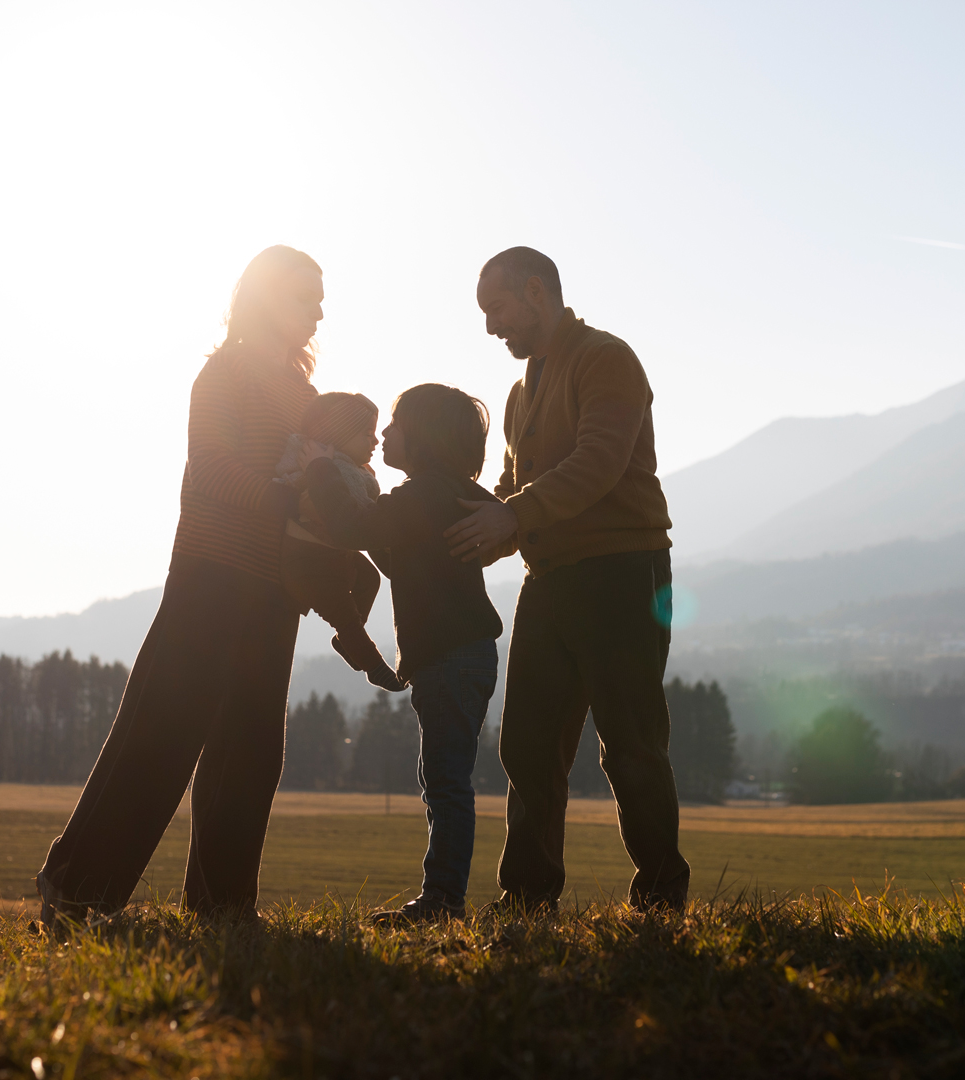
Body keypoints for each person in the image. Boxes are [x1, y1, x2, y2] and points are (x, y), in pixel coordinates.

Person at [34, 244, 322, 928]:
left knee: (250, 748)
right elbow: (212, 470)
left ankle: (224, 905)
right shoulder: (223, 375)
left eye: (319, 301)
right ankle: (76, 887)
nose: (313, 312)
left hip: (275, 590)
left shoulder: (308, 396)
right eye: (299, 297)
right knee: (160, 735)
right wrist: (289, 500)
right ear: (259, 299)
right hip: (211, 577)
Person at [445, 246, 691, 914]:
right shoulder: (521, 392)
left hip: (621, 572)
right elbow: (512, 491)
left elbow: (597, 464)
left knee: (631, 742)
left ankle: (662, 895)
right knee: (527, 742)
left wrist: (511, 517)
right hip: (548, 579)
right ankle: (526, 897)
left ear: (535, 291)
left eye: (496, 309)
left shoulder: (606, 358)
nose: (492, 327)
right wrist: (461, 526)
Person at [301, 383, 504, 924]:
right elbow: (400, 558)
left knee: (445, 781)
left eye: (393, 425)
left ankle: (442, 902)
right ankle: (443, 897)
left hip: (449, 658)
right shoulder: (442, 493)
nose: (383, 435)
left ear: (422, 437)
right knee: (445, 777)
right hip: (467, 655)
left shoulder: (420, 496)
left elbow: (350, 528)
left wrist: (321, 467)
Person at [273, 392, 402, 691]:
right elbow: (356, 513)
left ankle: (348, 642)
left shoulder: (352, 468)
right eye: (366, 434)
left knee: (369, 579)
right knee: (345, 616)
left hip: (332, 554)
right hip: (308, 561)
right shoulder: (334, 467)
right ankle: (373, 666)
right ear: (339, 435)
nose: (374, 441)